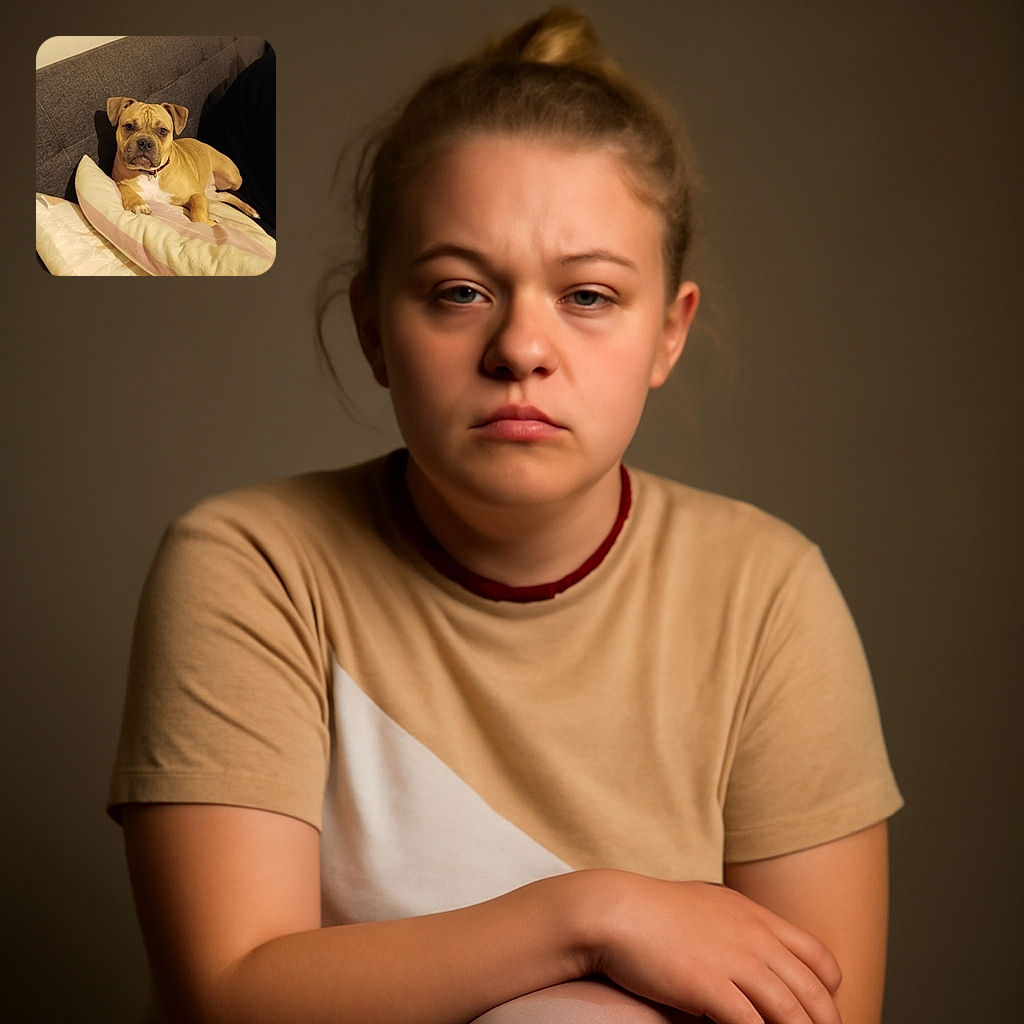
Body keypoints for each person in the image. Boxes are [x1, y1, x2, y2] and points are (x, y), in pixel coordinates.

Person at [108, 8, 902, 1023]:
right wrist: (592, 913)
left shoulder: (766, 594)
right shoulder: (252, 567)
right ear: (373, 329)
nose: (521, 346)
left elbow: (819, 1010)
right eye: (460, 290)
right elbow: (228, 992)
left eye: (589, 296)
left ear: (668, 333)